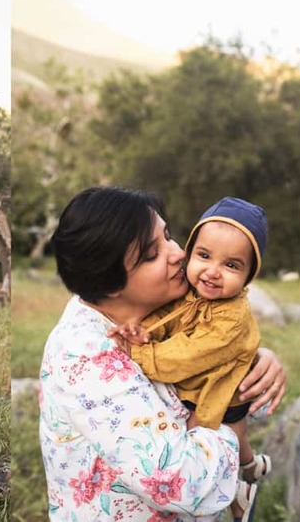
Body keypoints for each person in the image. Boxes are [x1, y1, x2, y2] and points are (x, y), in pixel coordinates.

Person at [40, 186, 286, 522]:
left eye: (168, 235)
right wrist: (230, 423)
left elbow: (208, 346)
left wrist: (253, 358)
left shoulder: (146, 308)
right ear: (110, 282)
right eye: (152, 254)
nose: (178, 254)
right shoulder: (86, 359)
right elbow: (177, 481)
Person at [108, 196, 271, 521]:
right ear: (192, 252)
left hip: (218, 394)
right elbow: (167, 316)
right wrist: (146, 332)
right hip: (194, 387)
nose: (212, 272)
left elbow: (186, 357)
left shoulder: (231, 318)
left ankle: (245, 478)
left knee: (205, 448)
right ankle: (245, 479)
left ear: (249, 275)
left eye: (231, 265)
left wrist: (138, 351)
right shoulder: (192, 291)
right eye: (204, 256)